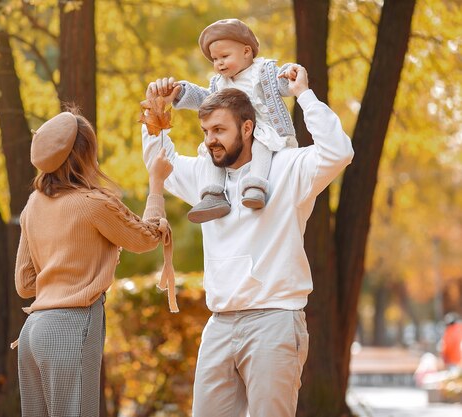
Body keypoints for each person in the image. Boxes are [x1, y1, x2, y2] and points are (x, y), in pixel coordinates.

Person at [141, 66, 354, 416]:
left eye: (220, 130)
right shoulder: (206, 178)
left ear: (247, 127)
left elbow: (338, 152)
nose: (211, 139)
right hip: (221, 322)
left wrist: (304, 95)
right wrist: (156, 113)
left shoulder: (287, 168)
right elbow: (160, 165)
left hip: (274, 320)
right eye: (206, 131)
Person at [13, 109, 176, 416]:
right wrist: (156, 183)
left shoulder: (33, 204)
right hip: (71, 328)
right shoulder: (93, 203)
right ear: (86, 153)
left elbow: (24, 284)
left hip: (32, 332)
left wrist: (62, 274)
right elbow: (146, 238)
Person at [166, 18, 299, 223]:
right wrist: (181, 92)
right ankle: (213, 194)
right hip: (234, 135)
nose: (219, 63)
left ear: (246, 52)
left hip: (263, 129)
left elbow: (281, 82)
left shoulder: (262, 72)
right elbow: (205, 100)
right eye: (214, 59)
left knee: (261, 144)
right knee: (213, 149)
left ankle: (256, 186)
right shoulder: (220, 83)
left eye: (224, 56)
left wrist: (291, 73)